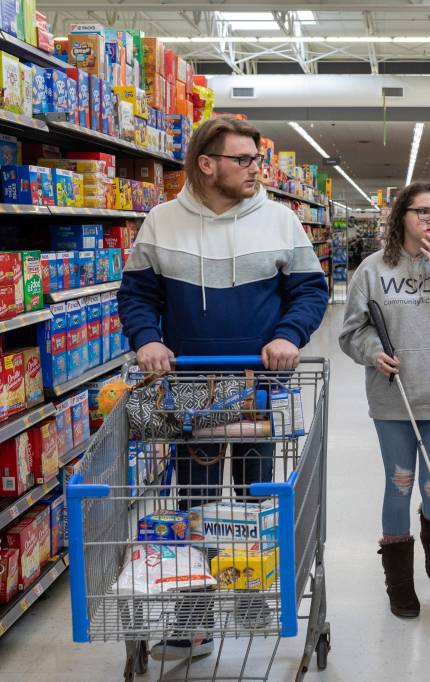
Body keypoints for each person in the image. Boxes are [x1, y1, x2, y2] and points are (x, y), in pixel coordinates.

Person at [118, 116, 329, 660]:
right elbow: (137, 296)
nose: (257, 169)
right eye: (246, 160)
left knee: (256, 498)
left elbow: (310, 291)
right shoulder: (162, 223)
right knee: (194, 502)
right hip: (188, 385)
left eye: (257, 159)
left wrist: (287, 335)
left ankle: (255, 599)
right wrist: (147, 341)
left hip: (256, 383)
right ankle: (193, 621)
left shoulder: (281, 221)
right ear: (208, 165)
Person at [339, 182, 430, 619]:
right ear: (401, 216)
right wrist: (372, 352)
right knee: (399, 483)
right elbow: (352, 331)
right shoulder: (371, 269)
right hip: (393, 398)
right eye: (422, 212)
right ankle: (399, 584)